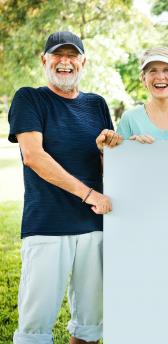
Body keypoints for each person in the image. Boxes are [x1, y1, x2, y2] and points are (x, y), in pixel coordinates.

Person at [8, 31, 120, 344]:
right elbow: (34, 157)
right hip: (47, 225)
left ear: (83, 62)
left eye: (73, 56)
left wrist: (104, 151)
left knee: (89, 325)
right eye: (58, 55)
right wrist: (88, 194)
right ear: (44, 60)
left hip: (94, 225)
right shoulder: (29, 98)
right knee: (35, 328)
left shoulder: (96, 104)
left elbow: (109, 167)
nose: (65, 62)